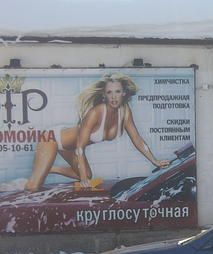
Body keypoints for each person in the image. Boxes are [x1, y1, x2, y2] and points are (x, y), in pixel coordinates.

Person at [24, 73, 169, 192]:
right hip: (52, 139)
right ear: (104, 95)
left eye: (117, 92)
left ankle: (49, 168)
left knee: (86, 174)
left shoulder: (124, 112)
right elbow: (80, 147)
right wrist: (84, 180)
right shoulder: (96, 112)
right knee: (33, 187)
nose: (113, 96)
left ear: (124, 93)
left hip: (70, 146)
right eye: (109, 92)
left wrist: (154, 161)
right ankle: (39, 171)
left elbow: (137, 139)